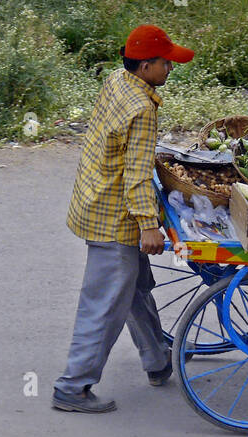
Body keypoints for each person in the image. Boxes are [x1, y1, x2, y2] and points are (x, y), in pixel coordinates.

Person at [52, 25, 194, 413]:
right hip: (115, 216)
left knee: (133, 287)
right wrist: (148, 224)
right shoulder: (142, 109)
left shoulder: (118, 80)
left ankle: (157, 358)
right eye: (165, 63)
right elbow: (135, 173)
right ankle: (73, 386)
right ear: (146, 66)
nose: (170, 69)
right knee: (105, 300)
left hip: (93, 200)